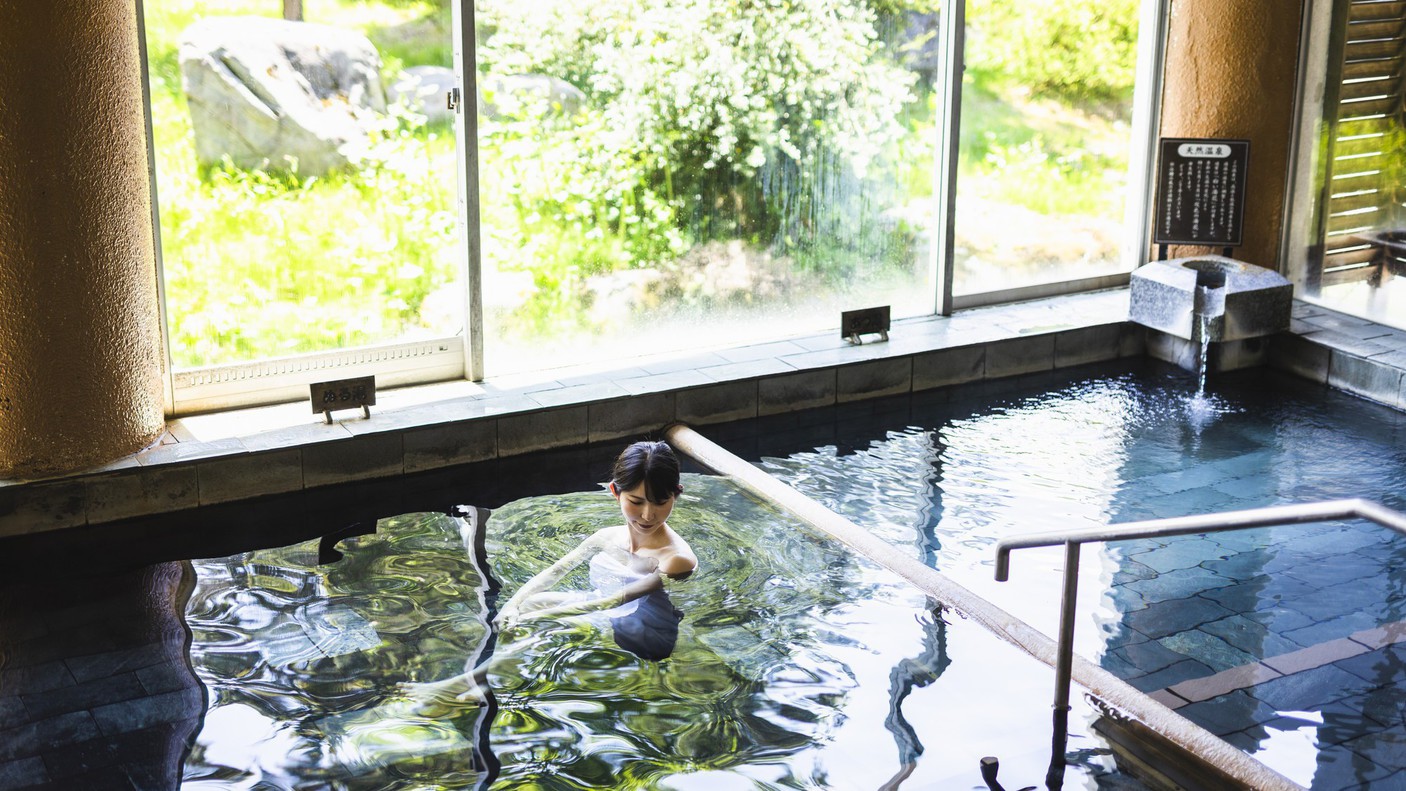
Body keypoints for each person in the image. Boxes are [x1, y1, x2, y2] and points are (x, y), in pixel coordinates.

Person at [399, 440, 697, 710]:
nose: (648, 515)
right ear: (614, 492)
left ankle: (460, 685)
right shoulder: (605, 536)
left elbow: (616, 601)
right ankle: (482, 683)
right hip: (604, 609)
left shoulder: (676, 558)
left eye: (660, 502)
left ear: (675, 495)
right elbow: (556, 570)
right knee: (532, 604)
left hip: (640, 632)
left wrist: (547, 618)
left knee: (544, 624)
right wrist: (512, 605)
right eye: (636, 501)